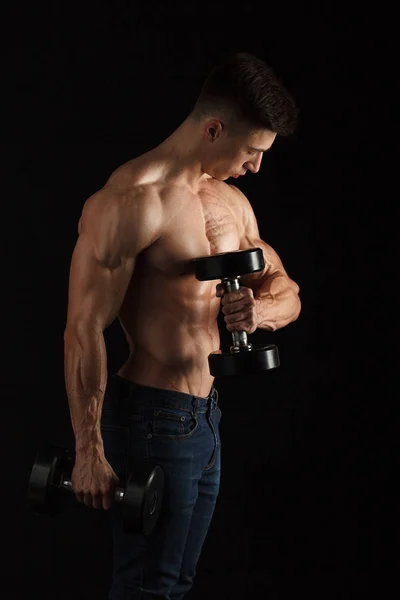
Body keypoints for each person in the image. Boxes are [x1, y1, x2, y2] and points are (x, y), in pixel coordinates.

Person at [63, 52, 301, 599]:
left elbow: (288, 292)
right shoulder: (131, 200)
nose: (257, 168)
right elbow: (82, 328)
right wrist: (88, 451)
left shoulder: (230, 202)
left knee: (178, 583)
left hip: (206, 419)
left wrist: (259, 313)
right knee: (150, 587)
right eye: (252, 151)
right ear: (214, 128)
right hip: (152, 417)